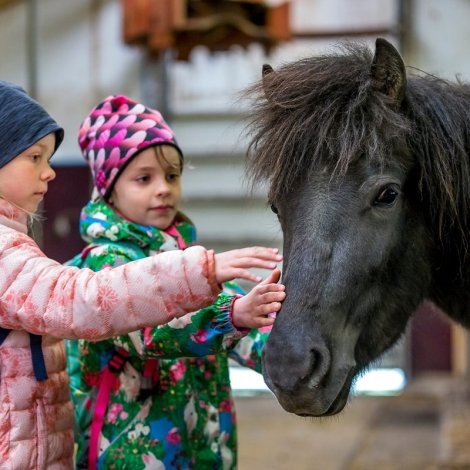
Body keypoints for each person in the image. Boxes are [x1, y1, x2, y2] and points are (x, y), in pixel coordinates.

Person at [0, 80, 283, 470]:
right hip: (129, 455)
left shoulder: (182, 259)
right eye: (144, 179)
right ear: (108, 190)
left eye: (172, 175)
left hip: (203, 449)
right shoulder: (107, 261)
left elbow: (246, 328)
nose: (163, 189)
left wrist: (287, 344)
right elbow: (146, 329)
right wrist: (230, 314)